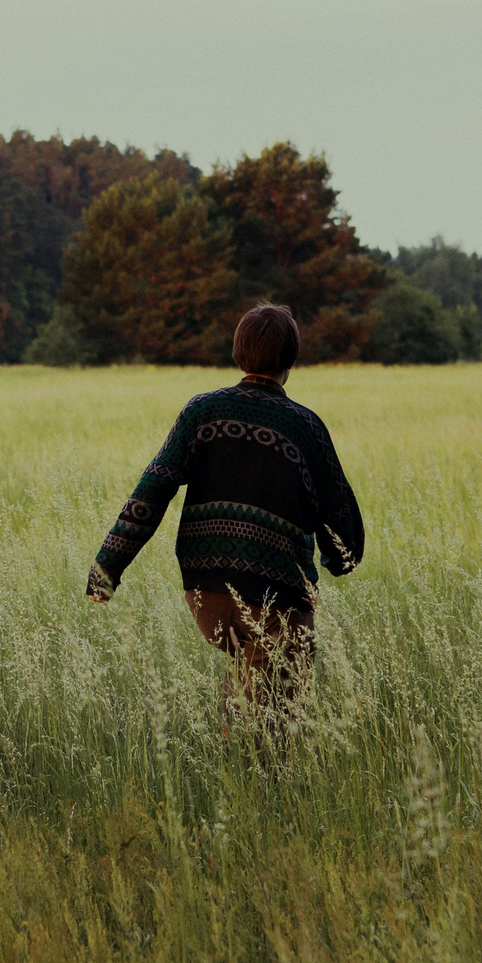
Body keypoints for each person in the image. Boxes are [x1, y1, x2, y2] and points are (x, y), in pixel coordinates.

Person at [85, 303, 365, 713]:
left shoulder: (201, 411)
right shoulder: (304, 427)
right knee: (278, 716)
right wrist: (341, 559)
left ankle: (232, 754)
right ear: (291, 360)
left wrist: (105, 571)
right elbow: (339, 516)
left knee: (251, 678)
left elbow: (152, 489)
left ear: (238, 353)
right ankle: (252, 767)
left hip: (206, 594)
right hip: (274, 594)